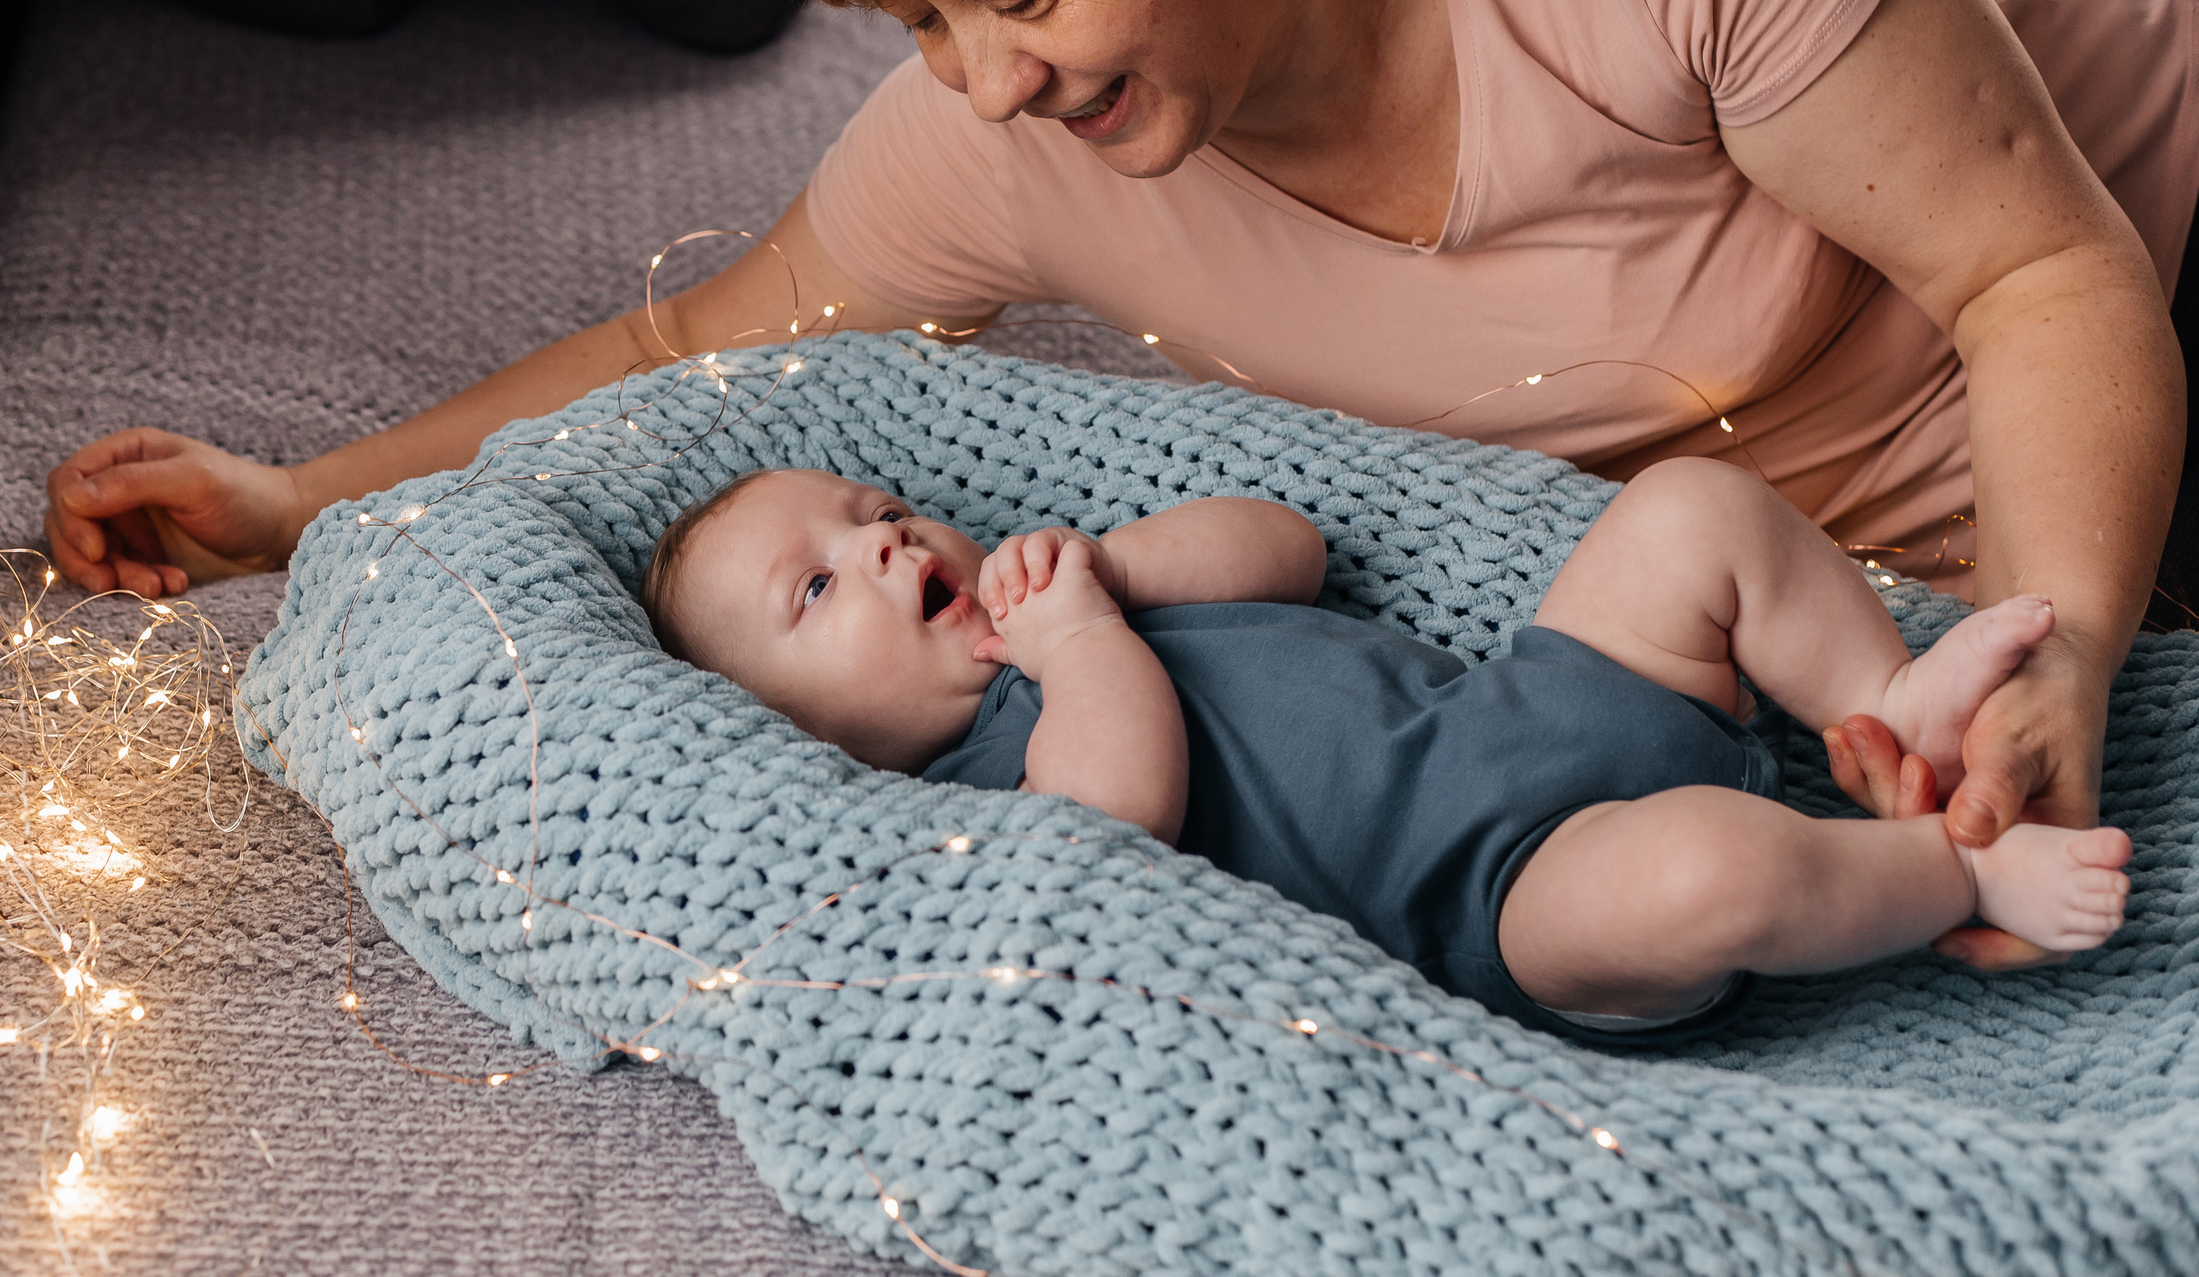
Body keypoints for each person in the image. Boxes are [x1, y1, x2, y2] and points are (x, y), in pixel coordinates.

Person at [42, 0, 2199, 972]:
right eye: (917, 22)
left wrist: (2061, 650)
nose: (980, 78)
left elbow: (2038, 273)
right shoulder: (1024, 140)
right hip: (1873, 558)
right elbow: (690, 349)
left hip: (2133, 270)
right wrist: (290, 500)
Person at [632, 457, 2131, 1045]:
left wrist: (1111, 571)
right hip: (1508, 898)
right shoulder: (987, 798)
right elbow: (1120, 816)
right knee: (1701, 874)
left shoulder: (1083, 587)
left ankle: (1888, 709)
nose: (882, 545)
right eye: (819, 587)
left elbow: (1289, 545)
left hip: (1546, 701)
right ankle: (1947, 873)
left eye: (875, 509)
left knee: (1691, 511)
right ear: (803, 741)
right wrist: (1077, 644)